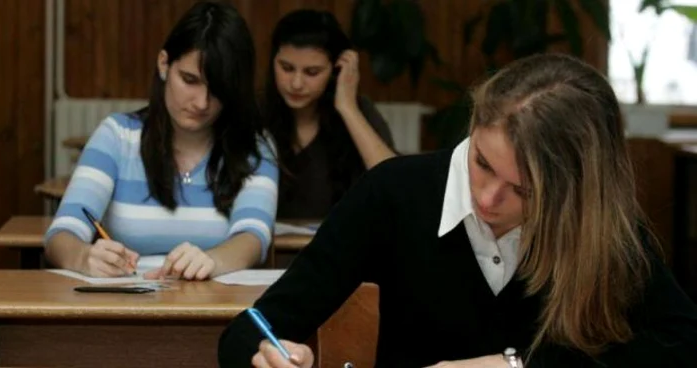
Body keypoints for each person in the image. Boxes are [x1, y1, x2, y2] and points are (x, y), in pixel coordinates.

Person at [217, 53, 697, 367]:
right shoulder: (393, 194)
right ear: (473, 123)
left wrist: (517, 365)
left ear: (575, 197)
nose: (487, 199)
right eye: (482, 163)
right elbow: (248, 332)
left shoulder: (600, 226)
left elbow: (683, 344)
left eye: (524, 192)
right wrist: (264, 355)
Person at [44, 1, 278, 281]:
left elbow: (253, 236)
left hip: (216, 306)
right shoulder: (116, 135)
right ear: (164, 64)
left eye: (218, 90)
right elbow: (62, 234)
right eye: (189, 80)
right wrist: (84, 257)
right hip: (124, 304)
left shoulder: (255, 146)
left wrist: (212, 261)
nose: (201, 103)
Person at [263, 9, 396, 219]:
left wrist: (347, 108)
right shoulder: (255, 113)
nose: (296, 83)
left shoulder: (359, 111)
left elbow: (395, 184)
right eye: (286, 68)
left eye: (312, 72)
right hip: (269, 250)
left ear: (336, 70)